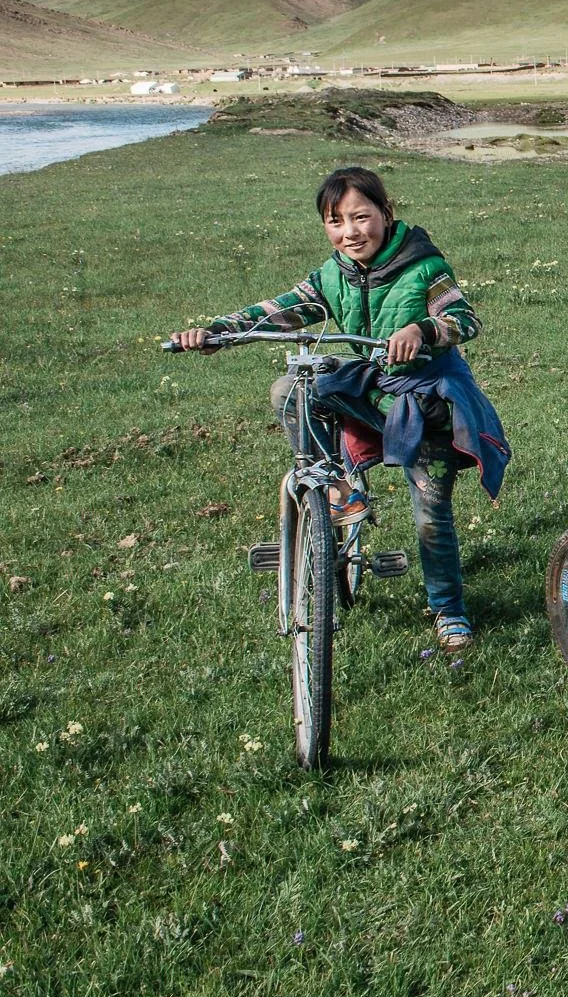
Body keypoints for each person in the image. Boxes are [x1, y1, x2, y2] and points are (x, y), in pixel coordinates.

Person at [171, 166, 507, 651]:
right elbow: (280, 310)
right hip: (376, 391)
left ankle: (449, 610)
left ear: (386, 213)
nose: (350, 232)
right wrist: (217, 331)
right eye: (335, 221)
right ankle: (335, 486)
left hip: (428, 403)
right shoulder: (332, 275)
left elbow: (463, 319)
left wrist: (422, 331)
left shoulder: (425, 267)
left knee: (431, 516)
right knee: (293, 387)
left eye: (360, 217)